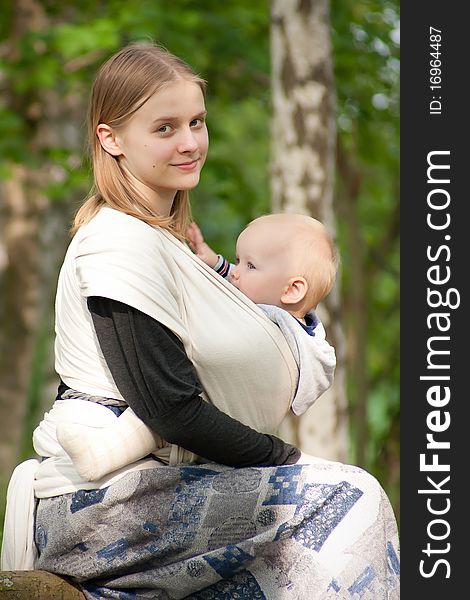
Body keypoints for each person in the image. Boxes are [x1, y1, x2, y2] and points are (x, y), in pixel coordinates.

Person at [1, 42, 400, 599]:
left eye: (197, 122)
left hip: (159, 490)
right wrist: (287, 460)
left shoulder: (169, 244)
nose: (190, 143)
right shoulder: (118, 246)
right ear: (110, 137)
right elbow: (170, 407)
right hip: (99, 507)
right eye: (165, 128)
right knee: (347, 498)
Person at [55, 212, 339, 481]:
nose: (236, 272)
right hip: (214, 411)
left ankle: (98, 456)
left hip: (225, 409)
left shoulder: (295, 331)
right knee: (157, 405)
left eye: (249, 265)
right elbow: (235, 286)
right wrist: (215, 263)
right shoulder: (268, 301)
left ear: (292, 290)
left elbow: (315, 371)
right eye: (237, 261)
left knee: (152, 421)